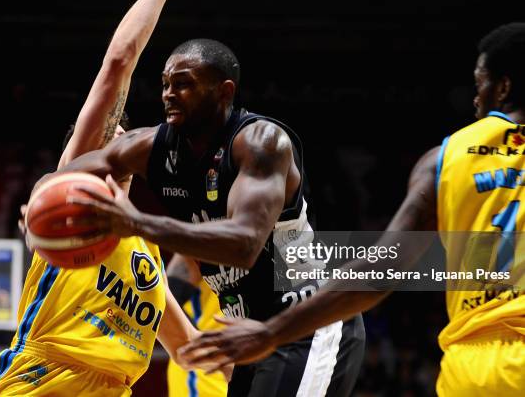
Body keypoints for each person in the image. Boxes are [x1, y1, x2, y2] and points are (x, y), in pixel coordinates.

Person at [179, 23, 525, 396]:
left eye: (480, 85)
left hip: (477, 370)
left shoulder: (445, 159)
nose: (475, 99)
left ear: (503, 88)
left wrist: (271, 332)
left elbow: (382, 267)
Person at [49, 38, 365, 397]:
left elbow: (245, 244)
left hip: (305, 324)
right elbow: (74, 172)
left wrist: (135, 222)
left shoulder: (261, 142)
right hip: (248, 335)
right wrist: (46, 201)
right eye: (166, 84)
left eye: (183, 84)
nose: (169, 94)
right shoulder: (155, 147)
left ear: (223, 91)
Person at [0, 0, 212, 395]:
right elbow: (120, 60)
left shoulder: (147, 252)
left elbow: (188, 346)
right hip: (42, 380)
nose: (121, 149)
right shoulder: (71, 202)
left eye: (125, 142)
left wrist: (275, 353)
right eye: (111, 140)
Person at [166, 254, 227, 397]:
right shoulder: (212, 234)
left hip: (261, 369)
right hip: (204, 376)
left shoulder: (286, 240)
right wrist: (211, 354)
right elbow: (167, 297)